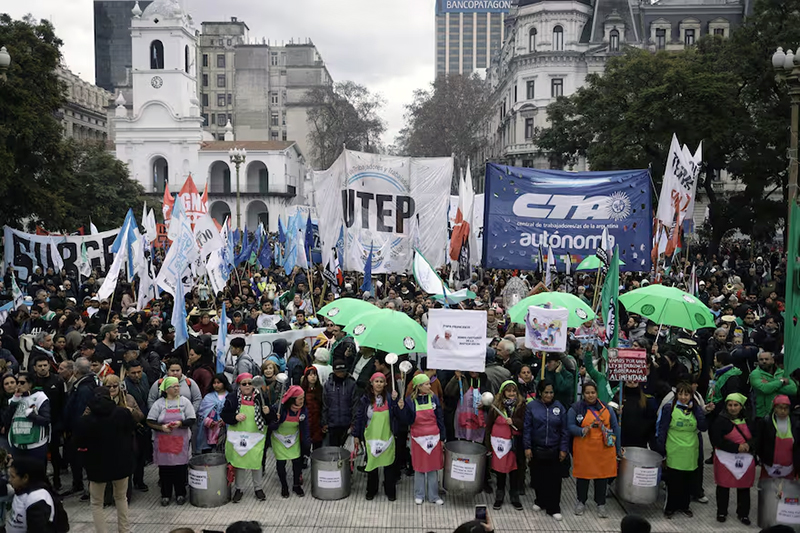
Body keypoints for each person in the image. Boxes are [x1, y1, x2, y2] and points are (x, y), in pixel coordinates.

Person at [74, 386, 135, 533]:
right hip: (121, 462)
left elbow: (78, 443)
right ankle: (124, 530)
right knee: (121, 498)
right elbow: (131, 431)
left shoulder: (85, 421)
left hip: (96, 465)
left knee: (96, 503)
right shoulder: (123, 413)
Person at [567, 381, 620, 518]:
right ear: (583, 394)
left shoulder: (607, 409)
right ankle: (581, 501)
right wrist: (581, 430)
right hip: (584, 450)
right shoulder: (576, 409)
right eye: (587, 393)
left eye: (593, 392)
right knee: (583, 478)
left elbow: (615, 428)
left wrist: (619, 449)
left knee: (601, 478)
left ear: (597, 393)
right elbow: (570, 426)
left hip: (604, 451)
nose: (590, 395)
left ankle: (601, 504)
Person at [655, 381, 707, 518]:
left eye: (686, 394)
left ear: (691, 395)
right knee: (674, 481)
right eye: (681, 394)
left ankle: (685, 506)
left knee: (688, 480)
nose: (683, 397)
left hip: (691, 450)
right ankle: (670, 507)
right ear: (676, 395)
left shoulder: (695, 409)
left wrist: (699, 411)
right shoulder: (668, 408)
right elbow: (662, 429)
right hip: (674, 449)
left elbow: (703, 427)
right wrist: (661, 450)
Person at [146, 376, 196, 506]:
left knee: (180, 469)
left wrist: (180, 423)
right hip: (164, 442)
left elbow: (192, 419)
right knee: (165, 470)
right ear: (167, 389)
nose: (177, 388)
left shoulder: (185, 402)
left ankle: (181, 494)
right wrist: (161, 427)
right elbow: (150, 421)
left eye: (178, 386)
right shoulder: (159, 404)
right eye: (174, 387)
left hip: (181, 441)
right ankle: (165, 494)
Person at [524, 379, 569, 521]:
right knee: (538, 477)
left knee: (554, 480)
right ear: (540, 393)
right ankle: (540, 501)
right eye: (546, 392)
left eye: (551, 392)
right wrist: (527, 447)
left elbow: (565, 430)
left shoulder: (559, 407)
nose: (549, 395)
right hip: (537, 448)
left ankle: (554, 507)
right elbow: (527, 429)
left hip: (554, 449)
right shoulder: (532, 407)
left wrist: (563, 449)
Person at [222, 373, 270, 503]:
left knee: (256, 462)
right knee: (240, 462)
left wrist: (267, 412)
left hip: (256, 435)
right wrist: (234, 417)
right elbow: (224, 415)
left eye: (250, 383)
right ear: (239, 385)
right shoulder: (232, 398)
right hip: (239, 434)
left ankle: (258, 488)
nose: (248, 386)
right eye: (244, 384)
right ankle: (239, 489)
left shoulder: (261, 397)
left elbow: (269, 419)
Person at [397, 373, 445, 505]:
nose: (429, 386)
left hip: (434, 437)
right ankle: (419, 494)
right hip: (418, 438)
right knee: (419, 467)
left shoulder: (433, 398)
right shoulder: (409, 401)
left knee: (433, 467)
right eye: (426, 384)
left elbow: (440, 417)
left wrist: (443, 436)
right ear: (418, 386)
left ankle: (434, 496)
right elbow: (406, 420)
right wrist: (401, 409)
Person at [710, 392, 755, 525]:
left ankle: (743, 514)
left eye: (736, 405)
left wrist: (748, 445)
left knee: (744, 487)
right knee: (723, 485)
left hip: (745, 459)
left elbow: (758, 437)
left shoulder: (749, 421)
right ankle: (722, 511)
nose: (733, 408)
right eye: (730, 405)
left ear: (741, 407)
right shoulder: (720, 421)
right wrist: (736, 447)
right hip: (725, 458)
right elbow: (716, 440)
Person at [353, 373, 398, 501]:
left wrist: (396, 402)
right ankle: (371, 490)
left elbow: (398, 416)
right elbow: (359, 417)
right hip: (371, 438)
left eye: (381, 381)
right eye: (376, 381)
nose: (379, 384)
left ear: (385, 384)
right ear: (371, 383)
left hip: (387, 437)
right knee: (372, 465)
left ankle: (390, 491)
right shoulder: (365, 399)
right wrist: (356, 435)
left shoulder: (390, 398)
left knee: (389, 465)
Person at [485, 380, 525, 511]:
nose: (511, 393)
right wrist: (488, 444)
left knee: (514, 471)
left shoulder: (521, 405)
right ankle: (499, 495)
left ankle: (514, 496)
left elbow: (525, 422)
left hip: (513, 444)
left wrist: (514, 421)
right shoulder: (496, 407)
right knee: (500, 471)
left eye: (514, 391)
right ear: (503, 392)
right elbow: (489, 425)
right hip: (498, 444)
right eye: (508, 391)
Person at [267, 385, 311, 498]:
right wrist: (276, 420)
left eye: (303, 398)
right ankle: (284, 486)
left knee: (297, 461)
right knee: (281, 462)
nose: (302, 400)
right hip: (279, 438)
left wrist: (307, 445)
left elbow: (305, 428)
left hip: (293, 438)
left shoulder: (303, 410)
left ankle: (296, 485)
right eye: (300, 398)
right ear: (292, 399)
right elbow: (270, 426)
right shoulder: (280, 408)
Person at [63, 357, 98, 498]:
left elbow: (80, 412)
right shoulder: (86, 385)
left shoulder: (83, 389)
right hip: (80, 430)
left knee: (81, 460)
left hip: (79, 431)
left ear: (76, 370)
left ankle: (86, 489)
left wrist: (75, 430)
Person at [5, 455, 65, 532]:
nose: (9, 480)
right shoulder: (20, 490)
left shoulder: (36, 499)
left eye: (13, 477)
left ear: (25, 478)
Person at [5, 372, 51, 466]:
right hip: (17, 445)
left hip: (36, 445)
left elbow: (46, 420)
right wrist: (15, 399)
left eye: (22, 382)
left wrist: (32, 415)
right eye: (17, 382)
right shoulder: (12, 400)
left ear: (30, 384)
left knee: (37, 475)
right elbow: (6, 420)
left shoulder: (40, 397)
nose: (18, 385)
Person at [757, 395, 797, 480]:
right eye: (780, 408)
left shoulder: (795, 423)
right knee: (767, 491)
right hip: (769, 466)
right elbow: (760, 442)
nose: (783, 411)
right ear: (774, 408)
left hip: (789, 467)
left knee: (788, 492)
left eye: (786, 408)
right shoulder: (766, 422)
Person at [750, 351, 797, 419]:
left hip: (782, 412)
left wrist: (770, 384)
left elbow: (793, 390)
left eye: (766, 359)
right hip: (763, 414)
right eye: (761, 359)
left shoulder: (783, 372)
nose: (764, 361)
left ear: (772, 360)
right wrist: (781, 382)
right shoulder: (755, 374)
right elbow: (765, 389)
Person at [322, 359, 356, 447]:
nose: (341, 374)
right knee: (333, 451)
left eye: (343, 371)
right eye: (339, 372)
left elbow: (355, 404)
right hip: (332, 424)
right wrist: (324, 422)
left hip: (347, 424)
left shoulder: (352, 384)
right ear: (334, 371)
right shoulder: (328, 385)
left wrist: (353, 422)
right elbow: (325, 404)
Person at [196, 374, 231, 454]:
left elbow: (232, 411)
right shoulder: (208, 397)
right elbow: (202, 413)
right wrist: (207, 421)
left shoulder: (230, 396)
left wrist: (225, 420)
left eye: (219, 382)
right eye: (214, 383)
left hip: (224, 428)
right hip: (210, 428)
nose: (216, 385)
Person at [301, 367, 324, 452]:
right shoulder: (302, 391)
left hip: (317, 423)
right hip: (306, 423)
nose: (313, 377)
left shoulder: (320, 390)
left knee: (317, 447)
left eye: (314, 374)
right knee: (304, 446)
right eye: (310, 375)